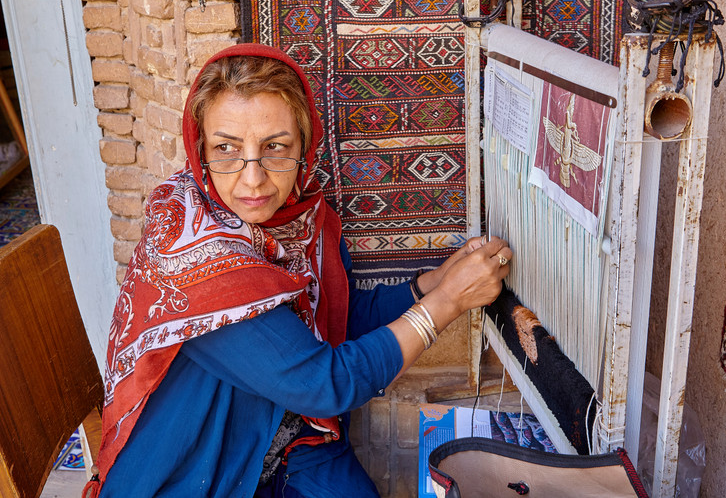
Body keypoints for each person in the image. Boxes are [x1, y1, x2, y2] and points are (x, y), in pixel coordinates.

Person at [84, 44, 512, 498]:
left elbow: (336, 319)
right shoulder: (197, 263)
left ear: (304, 147)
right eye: (226, 148)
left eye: (275, 148)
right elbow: (327, 384)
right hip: (197, 473)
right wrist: (446, 305)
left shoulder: (298, 219)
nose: (253, 178)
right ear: (200, 149)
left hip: (276, 433)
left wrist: (433, 283)